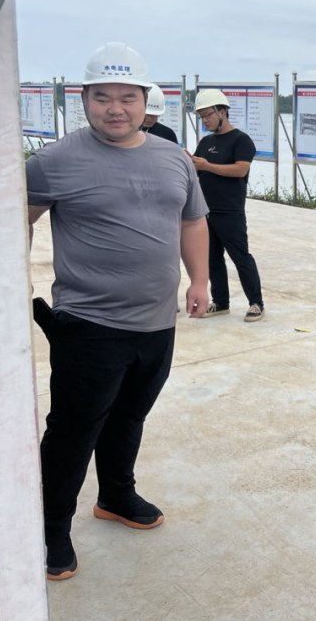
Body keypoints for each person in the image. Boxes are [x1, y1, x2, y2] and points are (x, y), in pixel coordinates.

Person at [26, 42, 209, 581]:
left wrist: (199, 280)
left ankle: (115, 495)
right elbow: (15, 219)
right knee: (73, 430)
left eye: (127, 97)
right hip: (87, 326)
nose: (115, 108)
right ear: (83, 98)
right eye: (102, 97)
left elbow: (192, 221)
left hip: (157, 323)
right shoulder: (53, 161)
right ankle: (50, 529)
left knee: (130, 416)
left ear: (145, 99)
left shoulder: (174, 158)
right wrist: (12, 284)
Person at [191, 88, 264, 323]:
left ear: (222, 111)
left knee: (241, 257)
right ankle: (221, 302)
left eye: (207, 115)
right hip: (206, 210)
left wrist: (207, 166)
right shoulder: (206, 142)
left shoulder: (241, 140)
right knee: (212, 258)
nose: (204, 120)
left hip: (230, 210)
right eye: (201, 116)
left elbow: (240, 169)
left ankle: (256, 303)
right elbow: (197, 169)